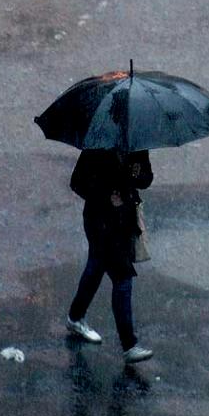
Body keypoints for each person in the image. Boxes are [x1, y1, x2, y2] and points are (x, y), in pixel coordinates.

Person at [66, 148, 153, 364]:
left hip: (124, 222)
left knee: (96, 267)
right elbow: (77, 182)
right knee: (122, 278)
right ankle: (129, 345)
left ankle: (75, 317)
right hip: (99, 222)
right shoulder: (98, 147)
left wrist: (137, 174)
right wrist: (107, 197)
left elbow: (146, 179)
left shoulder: (138, 145)